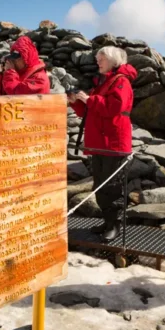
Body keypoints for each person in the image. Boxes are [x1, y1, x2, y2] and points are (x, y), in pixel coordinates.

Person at [69, 46, 137, 241]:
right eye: (98, 58)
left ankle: (115, 224)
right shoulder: (106, 82)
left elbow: (114, 107)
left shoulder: (121, 81)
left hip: (113, 142)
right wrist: (77, 102)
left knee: (112, 185)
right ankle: (109, 222)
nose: (98, 62)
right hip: (101, 142)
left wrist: (88, 99)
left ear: (114, 61)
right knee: (100, 184)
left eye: (102, 59)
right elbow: (90, 110)